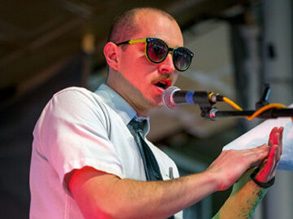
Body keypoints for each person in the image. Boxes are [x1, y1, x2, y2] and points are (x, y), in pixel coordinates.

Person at [29, 7, 284, 219]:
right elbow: (104, 205)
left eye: (180, 57)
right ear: (113, 56)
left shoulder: (165, 166)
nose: (170, 67)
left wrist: (253, 187)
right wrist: (214, 176)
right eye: (156, 50)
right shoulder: (76, 104)